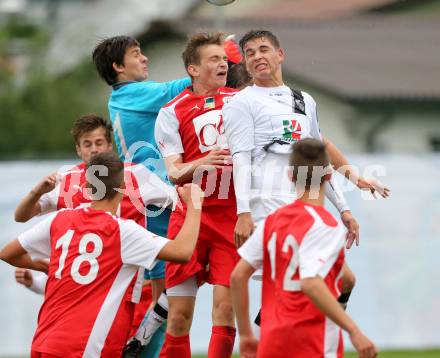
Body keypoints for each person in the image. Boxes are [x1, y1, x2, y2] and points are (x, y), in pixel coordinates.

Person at [223, 30, 390, 328]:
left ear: (280, 54)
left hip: (307, 204)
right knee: (289, 289)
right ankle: (285, 335)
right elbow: (241, 158)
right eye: (249, 53)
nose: (257, 56)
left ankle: (306, 332)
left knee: (342, 280)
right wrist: (243, 212)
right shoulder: (241, 103)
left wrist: (345, 209)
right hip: (268, 207)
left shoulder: (303, 100)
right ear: (245, 64)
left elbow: (319, 154)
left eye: (263, 49)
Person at [0, 151, 204, 358]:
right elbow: (182, 251)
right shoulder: (122, 232)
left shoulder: (61, 219)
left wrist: (48, 266)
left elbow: (8, 253)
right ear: (123, 188)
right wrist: (195, 206)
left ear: (87, 188)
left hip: (45, 339)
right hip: (86, 347)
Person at [13, 114, 176, 342]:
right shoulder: (66, 179)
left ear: (109, 145)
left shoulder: (135, 174)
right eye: (87, 144)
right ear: (78, 149)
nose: (94, 149)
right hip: (72, 293)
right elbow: (21, 216)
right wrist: (37, 192)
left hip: (121, 292)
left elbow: (178, 201)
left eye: (99, 142)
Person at [230, 138, 378, 358]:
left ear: (290, 175)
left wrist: (246, 335)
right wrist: (354, 331)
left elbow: (238, 276)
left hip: (273, 342)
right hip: (311, 342)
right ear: (329, 176)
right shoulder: (325, 226)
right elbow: (310, 282)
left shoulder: (273, 221)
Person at [154, 32, 238, 358]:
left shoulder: (242, 100)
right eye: (214, 59)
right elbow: (174, 172)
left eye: (224, 58)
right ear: (193, 68)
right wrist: (203, 162)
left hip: (231, 215)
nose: (223, 64)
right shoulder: (172, 111)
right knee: (178, 318)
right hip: (190, 217)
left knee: (226, 310)